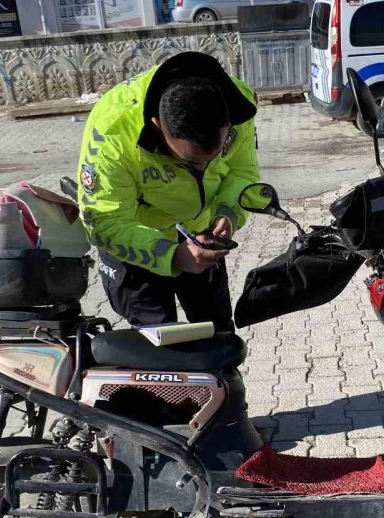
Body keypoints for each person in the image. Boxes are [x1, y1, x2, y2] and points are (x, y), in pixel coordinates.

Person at [76, 51, 260, 333]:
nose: (203, 167)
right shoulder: (112, 133)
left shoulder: (238, 104)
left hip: (200, 236)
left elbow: (242, 172)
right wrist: (171, 255)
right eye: (191, 160)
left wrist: (228, 213)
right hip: (138, 241)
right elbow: (105, 222)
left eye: (212, 158)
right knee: (161, 347)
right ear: (158, 127)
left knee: (218, 333)